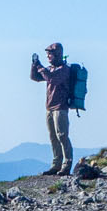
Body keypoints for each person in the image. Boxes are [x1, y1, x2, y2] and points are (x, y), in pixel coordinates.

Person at [30, 43, 78, 175]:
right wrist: (34, 65)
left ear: (57, 54)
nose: (48, 56)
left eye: (50, 54)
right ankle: (56, 164)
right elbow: (35, 78)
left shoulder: (64, 69)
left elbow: (52, 79)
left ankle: (66, 165)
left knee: (62, 136)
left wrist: (39, 66)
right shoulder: (50, 69)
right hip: (49, 107)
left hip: (60, 107)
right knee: (53, 137)